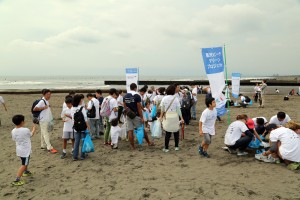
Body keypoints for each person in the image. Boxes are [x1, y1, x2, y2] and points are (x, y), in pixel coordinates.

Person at [123, 83, 153, 149]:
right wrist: (142, 117)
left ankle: (132, 146)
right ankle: (148, 142)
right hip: (136, 115)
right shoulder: (137, 96)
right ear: (135, 88)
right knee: (142, 129)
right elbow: (139, 107)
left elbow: (124, 106)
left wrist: (128, 111)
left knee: (130, 131)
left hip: (129, 115)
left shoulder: (125, 96)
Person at [11, 115, 36, 186]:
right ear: (22, 122)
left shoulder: (13, 131)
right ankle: (17, 179)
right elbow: (31, 135)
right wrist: (34, 129)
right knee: (24, 164)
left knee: (25, 161)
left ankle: (26, 172)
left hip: (19, 149)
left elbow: (14, 139)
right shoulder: (25, 130)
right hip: (25, 150)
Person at [160, 84, 184, 152]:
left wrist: (161, 116)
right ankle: (176, 146)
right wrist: (181, 118)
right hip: (175, 116)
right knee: (176, 132)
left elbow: (162, 109)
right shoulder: (175, 98)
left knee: (168, 133)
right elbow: (178, 109)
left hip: (168, 116)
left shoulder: (164, 98)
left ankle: (166, 148)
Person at [33, 89, 57, 154]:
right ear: (44, 94)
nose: (49, 96)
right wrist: (43, 108)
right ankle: (49, 147)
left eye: (50, 94)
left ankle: (43, 145)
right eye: (47, 94)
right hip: (43, 120)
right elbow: (35, 108)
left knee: (43, 132)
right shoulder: (42, 101)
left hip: (46, 119)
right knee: (46, 133)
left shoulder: (46, 101)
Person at [71, 94, 90, 161]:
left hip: (76, 127)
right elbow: (85, 118)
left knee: (76, 142)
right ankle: (82, 155)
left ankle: (75, 156)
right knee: (83, 141)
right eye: (81, 99)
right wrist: (88, 126)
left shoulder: (72, 108)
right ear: (79, 100)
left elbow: (72, 118)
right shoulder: (82, 108)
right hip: (83, 127)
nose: (82, 100)